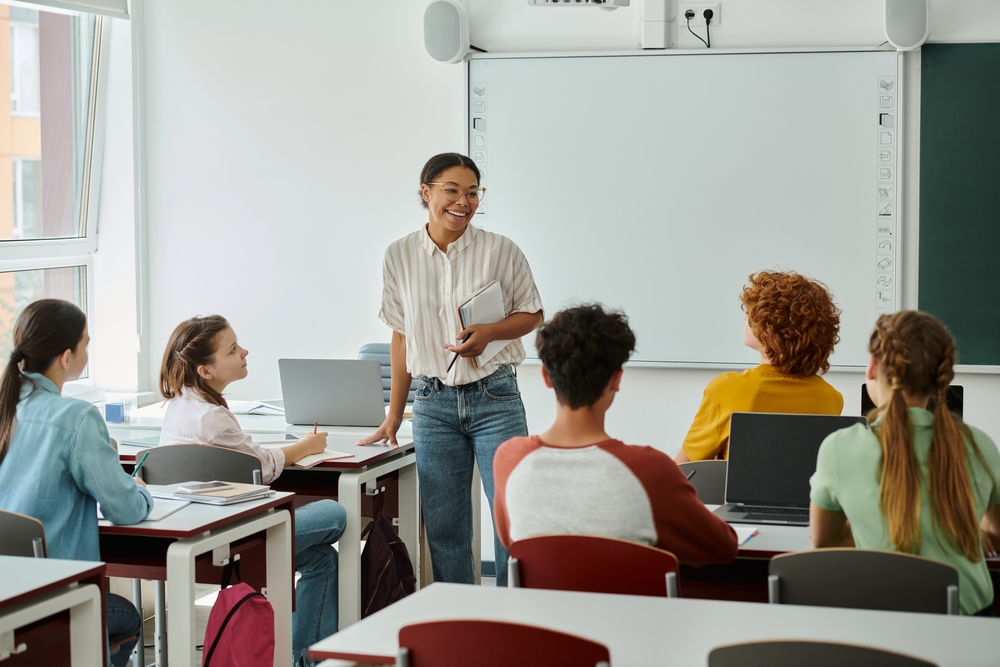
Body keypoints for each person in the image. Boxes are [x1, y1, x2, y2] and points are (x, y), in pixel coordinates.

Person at [359, 152, 543, 587]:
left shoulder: (501, 249)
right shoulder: (399, 254)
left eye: (473, 192)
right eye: (452, 190)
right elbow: (401, 337)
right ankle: (461, 627)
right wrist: (392, 415)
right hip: (431, 403)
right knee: (444, 528)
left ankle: (514, 620)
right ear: (426, 193)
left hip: (495, 396)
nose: (464, 201)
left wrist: (491, 332)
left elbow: (532, 314)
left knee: (510, 518)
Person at [158, 315, 347, 667]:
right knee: (336, 514)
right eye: (232, 350)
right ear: (206, 371)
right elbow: (261, 468)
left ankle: (304, 658)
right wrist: (306, 446)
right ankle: (306, 660)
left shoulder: (180, 406)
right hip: (235, 538)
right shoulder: (211, 418)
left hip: (200, 531)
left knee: (323, 559)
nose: (244, 352)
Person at [494, 304, 738, 566]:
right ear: (616, 379)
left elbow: (512, 541)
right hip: (630, 608)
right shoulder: (650, 469)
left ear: (546, 377)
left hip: (541, 608)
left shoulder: (509, 458)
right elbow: (724, 548)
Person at [810, 311, 1000, 616]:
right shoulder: (981, 446)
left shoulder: (838, 447)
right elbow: (997, 531)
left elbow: (824, 540)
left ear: (873, 367)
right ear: (943, 376)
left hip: (878, 620)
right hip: (968, 622)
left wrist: (875, 531)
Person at [0, 299, 150, 667]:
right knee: (128, 615)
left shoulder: (6, 407)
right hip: (56, 596)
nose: (88, 350)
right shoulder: (77, 416)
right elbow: (126, 510)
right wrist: (140, 487)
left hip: (8, 593)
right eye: (86, 343)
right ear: (66, 357)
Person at [676, 270, 844, 463]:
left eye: (752, 313)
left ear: (769, 330)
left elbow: (682, 469)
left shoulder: (727, 390)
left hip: (737, 494)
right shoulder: (831, 398)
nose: (745, 318)